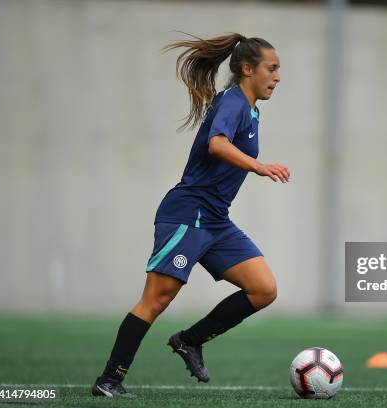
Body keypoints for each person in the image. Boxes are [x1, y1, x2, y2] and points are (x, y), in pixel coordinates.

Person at [91, 32, 288, 398]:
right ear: (247, 69)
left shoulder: (251, 109)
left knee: (263, 289)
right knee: (157, 299)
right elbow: (217, 144)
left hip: (215, 221)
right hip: (188, 215)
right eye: (271, 69)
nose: (277, 77)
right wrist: (259, 167)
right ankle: (109, 379)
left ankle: (190, 340)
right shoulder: (233, 101)